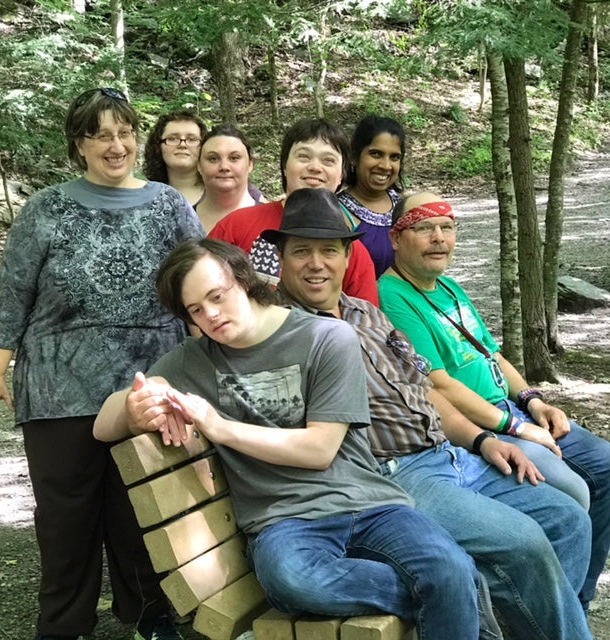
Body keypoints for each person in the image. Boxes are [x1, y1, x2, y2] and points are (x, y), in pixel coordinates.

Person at [93, 238, 492, 640]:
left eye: (218, 296)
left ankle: (451, 589)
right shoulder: (195, 360)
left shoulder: (326, 337)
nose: (211, 315)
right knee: (294, 582)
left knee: (446, 566)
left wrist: (219, 427)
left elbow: (319, 450)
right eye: (196, 309)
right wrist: (135, 406)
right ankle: (453, 595)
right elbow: (101, 426)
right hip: (282, 522)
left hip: (371, 506)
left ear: (244, 281)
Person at [264, 187, 594, 640]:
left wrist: (482, 440)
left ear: (347, 257)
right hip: (397, 474)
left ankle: (540, 623)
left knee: (568, 520)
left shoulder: (365, 314)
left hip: (453, 454)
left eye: (329, 250)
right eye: (301, 251)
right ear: (280, 257)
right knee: (525, 543)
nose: (316, 264)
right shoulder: (278, 328)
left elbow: (423, 388)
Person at [0, 88, 205, 640]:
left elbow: (201, 281)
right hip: (58, 382)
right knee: (65, 518)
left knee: (145, 508)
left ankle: (150, 615)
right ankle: (63, 624)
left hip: (152, 377)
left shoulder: (169, 204)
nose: (116, 144)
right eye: (101, 134)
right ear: (79, 144)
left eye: (125, 132)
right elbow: (15, 293)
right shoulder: (45, 207)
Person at [378, 190, 610, 613]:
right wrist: (519, 428)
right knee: (573, 493)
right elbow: (440, 386)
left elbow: (493, 354)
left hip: (514, 409)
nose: (438, 238)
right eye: (424, 228)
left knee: (606, 465)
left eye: (446, 227)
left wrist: (533, 401)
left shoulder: (449, 286)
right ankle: (549, 609)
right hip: (485, 426)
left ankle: (575, 598)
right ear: (396, 238)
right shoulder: (392, 297)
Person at [209, 118, 379, 304]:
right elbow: (202, 289)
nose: (315, 167)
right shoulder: (237, 225)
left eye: (328, 160)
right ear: (284, 166)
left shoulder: (351, 249)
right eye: (304, 157)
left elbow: (366, 322)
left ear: (341, 175)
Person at [338, 114, 406, 278]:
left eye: (394, 157)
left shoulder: (407, 208)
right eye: (375, 154)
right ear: (355, 157)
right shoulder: (336, 212)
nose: (385, 166)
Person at [194, 125, 264, 232]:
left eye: (234, 158)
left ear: (250, 164)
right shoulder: (180, 221)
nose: (224, 167)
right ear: (199, 166)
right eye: (213, 159)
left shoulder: (273, 221)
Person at [143, 109, 208, 205]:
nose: (182, 145)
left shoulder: (219, 194)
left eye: (192, 139)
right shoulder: (144, 198)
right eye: (172, 139)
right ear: (158, 146)